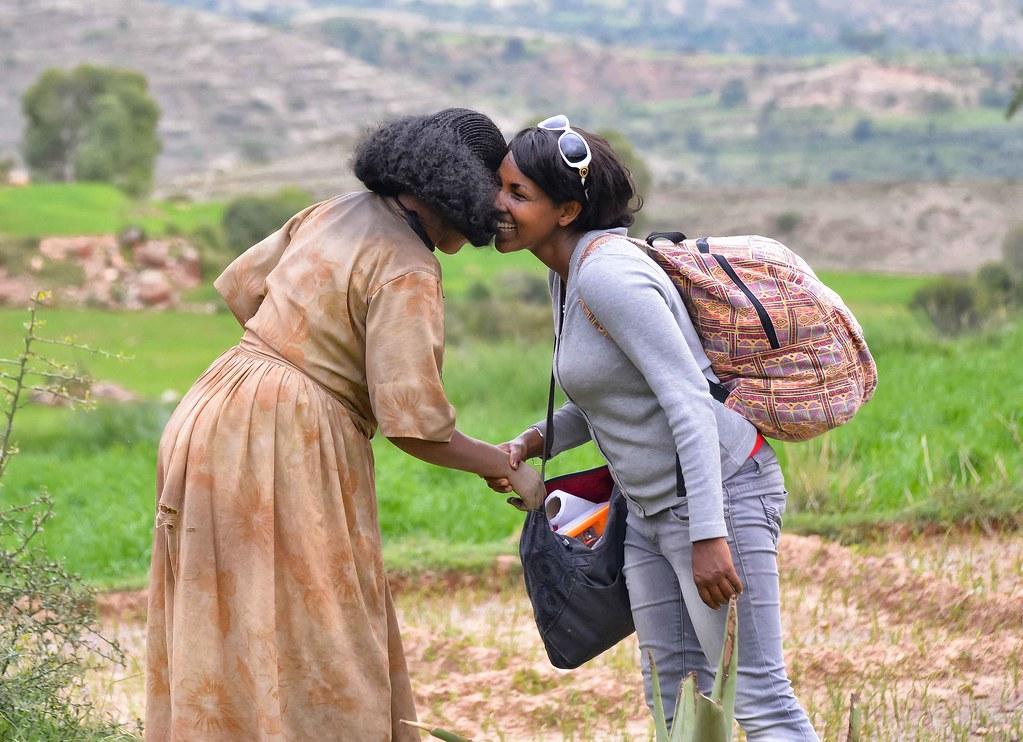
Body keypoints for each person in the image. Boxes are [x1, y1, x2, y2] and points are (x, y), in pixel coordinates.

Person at [145, 108, 546, 741]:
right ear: (461, 187)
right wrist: (508, 467)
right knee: (320, 632)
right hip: (286, 435)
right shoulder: (408, 265)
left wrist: (299, 350)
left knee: (225, 614)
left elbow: (243, 288)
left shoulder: (333, 210)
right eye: (492, 188)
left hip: (216, 401)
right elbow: (414, 424)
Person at [486, 115, 819, 740]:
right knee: (675, 702)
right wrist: (531, 441)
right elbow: (614, 398)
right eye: (500, 187)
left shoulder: (611, 276)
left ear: (565, 210)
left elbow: (688, 402)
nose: (495, 205)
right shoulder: (568, 276)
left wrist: (709, 536)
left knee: (757, 697)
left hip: (718, 496)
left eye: (516, 194)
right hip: (646, 512)